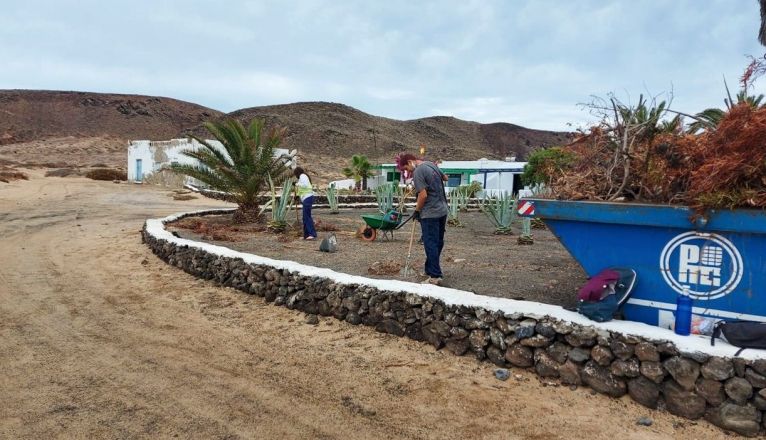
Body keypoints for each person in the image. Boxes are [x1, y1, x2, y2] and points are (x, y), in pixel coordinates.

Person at [397, 153, 449, 285]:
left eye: (405, 168)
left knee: (430, 243)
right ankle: (429, 269)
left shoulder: (418, 171)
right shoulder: (431, 164)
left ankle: (435, 276)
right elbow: (445, 178)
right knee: (437, 242)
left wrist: (417, 211)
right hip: (442, 209)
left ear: (410, 162)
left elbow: (423, 195)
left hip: (430, 213)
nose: (407, 171)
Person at [293, 167, 316, 240]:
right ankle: (306, 235)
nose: (295, 176)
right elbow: (302, 189)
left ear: (297, 173)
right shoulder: (301, 178)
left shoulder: (303, 176)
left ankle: (311, 234)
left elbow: (305, 185)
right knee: (305, 217)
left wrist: (296, 184)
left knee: (307, 217)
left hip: (308, 198)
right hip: (306, 198)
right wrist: (297, 197)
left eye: (295, 174)